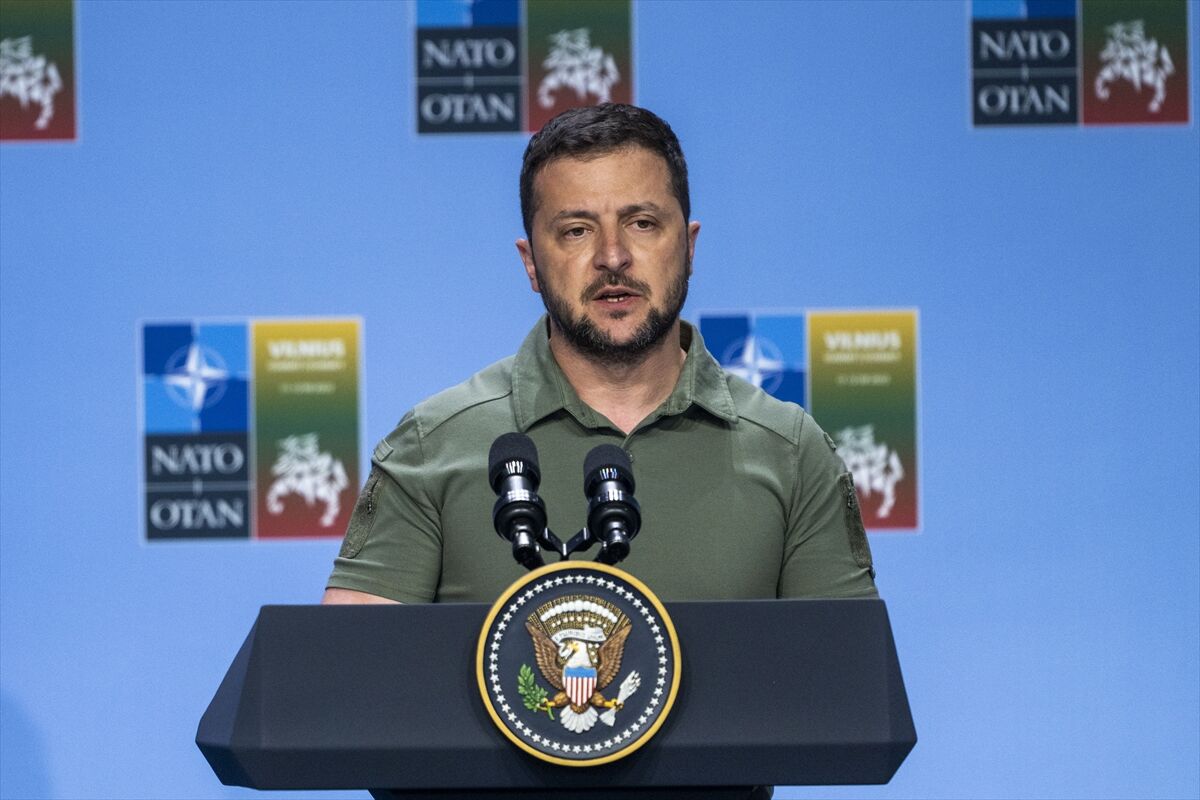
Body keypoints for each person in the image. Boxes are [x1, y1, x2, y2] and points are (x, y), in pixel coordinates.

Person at [323, 104, 876, 605]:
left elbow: (847, 676)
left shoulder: (791, 454)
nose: (613, 256)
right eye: (576, 231)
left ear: (689, 247)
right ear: (531, 263)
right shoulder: (431, 447)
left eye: (642, 223)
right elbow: (350, 671)